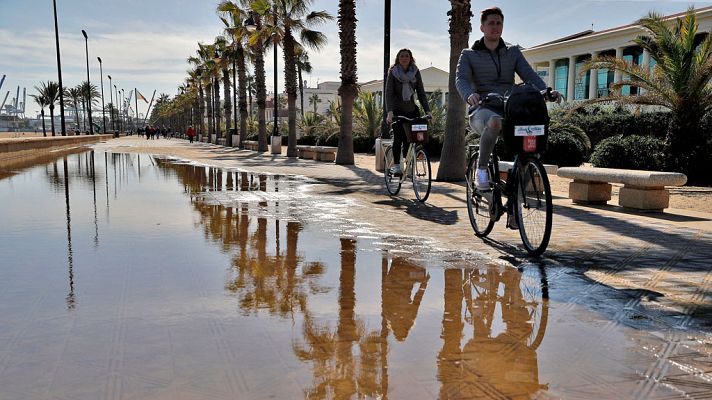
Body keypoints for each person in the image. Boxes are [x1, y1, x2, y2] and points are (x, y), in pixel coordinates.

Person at [456, 6, 560, 192]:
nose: (495, 27)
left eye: (499, 23)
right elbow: (461, 79)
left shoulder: (512, 52)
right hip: (482, 108)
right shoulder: (469, 55)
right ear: (482, 28)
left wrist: (546, 91)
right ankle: (481, 171)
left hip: (510, 107)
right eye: (491, 23)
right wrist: (469, 94)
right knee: (495, 121)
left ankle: (515, 207)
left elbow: (529, 75)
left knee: (532, 135)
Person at [385, 48, 431, 176]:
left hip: (412, 110)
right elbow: (389, 94)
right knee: (398, 138)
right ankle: (396, 167)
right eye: (402, 56)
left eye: (406, 56)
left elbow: (421, 93)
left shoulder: (415, 72)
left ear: (411, 58)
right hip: (397, 111)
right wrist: (390, 112)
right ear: (398, 59)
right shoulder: (393, 72)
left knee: (411, 139)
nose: (404, 58)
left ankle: (409, 163)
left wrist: (428, 110)